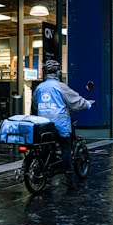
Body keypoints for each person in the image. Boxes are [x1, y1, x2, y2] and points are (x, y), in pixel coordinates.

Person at [31, 60, 95, 189]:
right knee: (66, 148)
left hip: (43, 124)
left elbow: (35, 105)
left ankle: (45, 167)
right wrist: (88, 104)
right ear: (57, 72)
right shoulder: (60, 86)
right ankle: (68, 175)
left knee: (46, 146)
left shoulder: (39, 88)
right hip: (60, 124)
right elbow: (75, 101)